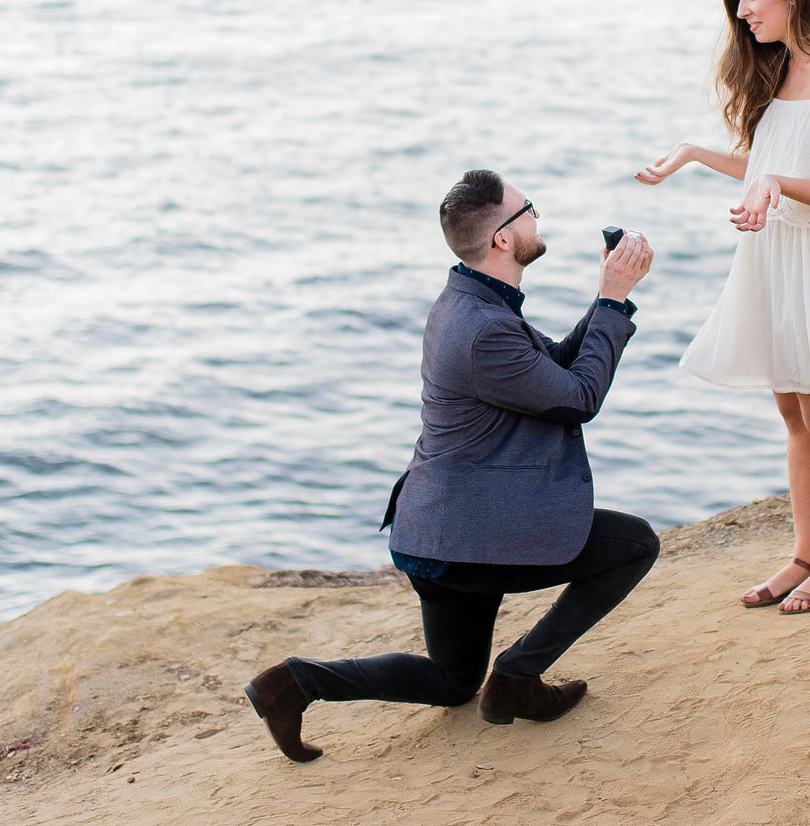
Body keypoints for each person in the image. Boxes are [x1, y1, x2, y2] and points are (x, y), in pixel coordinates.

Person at [245, 169, 658, 762]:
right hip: (465, 540)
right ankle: (517, 676)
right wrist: (614, 300)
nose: (538, 218)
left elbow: (553, 375)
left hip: (436, 532)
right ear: (502, 239)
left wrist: (606, 299)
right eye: (529, 209)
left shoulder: (471, 302)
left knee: (453, 681)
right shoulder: (483, 328)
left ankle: (294, 683)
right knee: (635, 544)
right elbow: (578, 397)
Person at [637, 0, 810, 615]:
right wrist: (692, 152)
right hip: (775, 256)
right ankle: (806, 553)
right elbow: (767, 163)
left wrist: (774, 181)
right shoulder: (778, 69)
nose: (741, 12)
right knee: (794, 416)